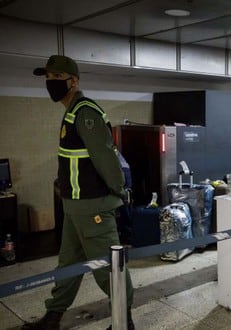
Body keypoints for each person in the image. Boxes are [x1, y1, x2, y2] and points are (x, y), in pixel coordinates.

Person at [25, 55, 134, 330]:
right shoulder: (71, 111)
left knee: (108, 269)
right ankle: (52, 318)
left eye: (56, 78)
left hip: (93, 206)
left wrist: (120, 190)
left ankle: (125, 321)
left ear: (73, 81)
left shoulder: (86, 112)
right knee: (67, 267)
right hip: (74, 207)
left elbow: (106, 158)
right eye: (48, 79)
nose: (50, 83)